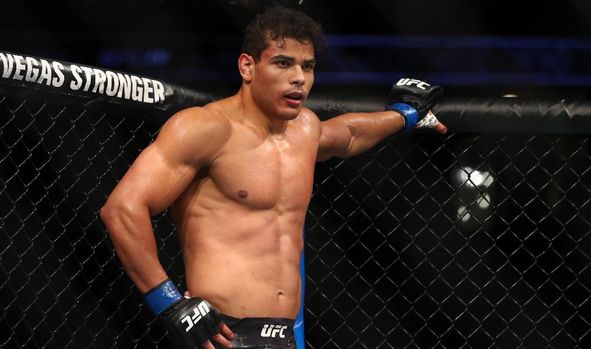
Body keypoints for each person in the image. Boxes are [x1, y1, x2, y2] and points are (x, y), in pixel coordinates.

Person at [100, 6, 446, 349]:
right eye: (283, 63)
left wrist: (406, 114)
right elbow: (123, 208)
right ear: (247, 66)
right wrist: (172, 304)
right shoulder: (206, 129)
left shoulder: (304, 129)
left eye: (307, 66)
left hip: (283, 335)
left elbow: (350, 133)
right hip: (221, 333)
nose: (299, 77)